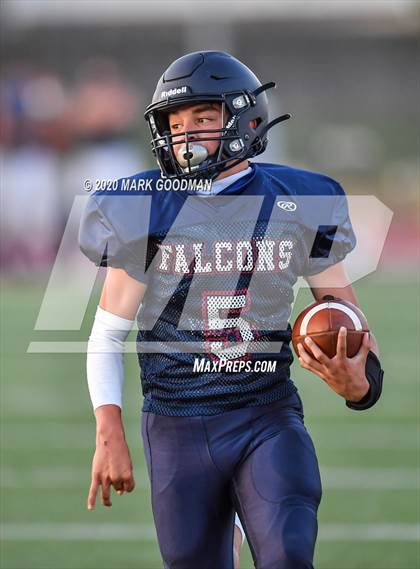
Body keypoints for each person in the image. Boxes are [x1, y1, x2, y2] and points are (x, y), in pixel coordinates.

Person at [79, 51, 384, 569]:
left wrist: (358, 385)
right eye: (176, 124)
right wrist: (108, 430)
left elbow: (350, 325)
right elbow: (107, 334)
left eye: (202, 118)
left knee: (288, 554)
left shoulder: (297, 200)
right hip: (176, 423)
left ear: (247, 121)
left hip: (266, 412)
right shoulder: (145, 207)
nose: (186, 136)